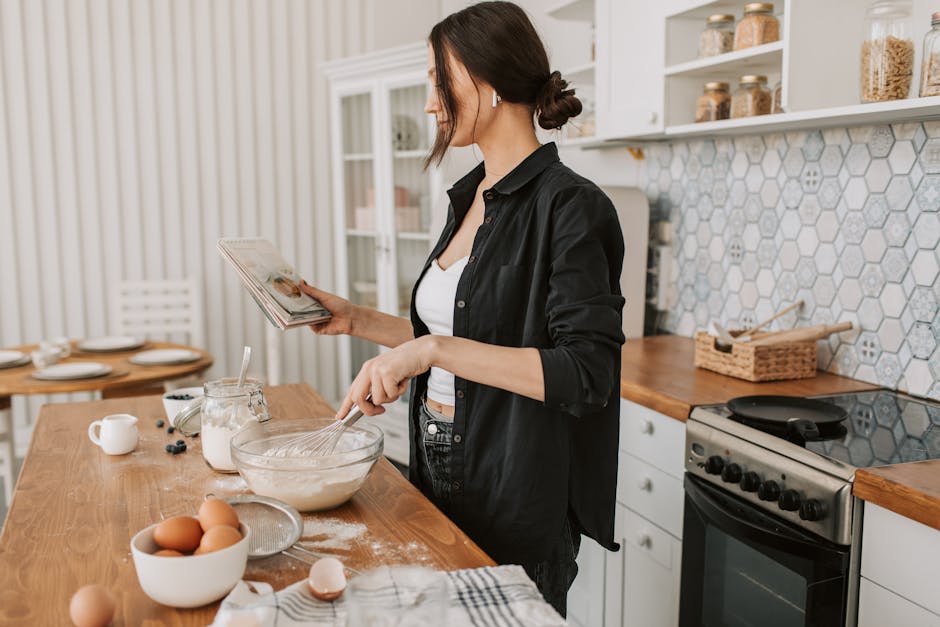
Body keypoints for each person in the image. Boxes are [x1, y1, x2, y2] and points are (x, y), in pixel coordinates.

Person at [301, 1, 625, 616]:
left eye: (437, 80)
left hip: (517, 477)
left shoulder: (574, 209)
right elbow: (466, 332)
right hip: (437, 455)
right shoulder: (468, 198)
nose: (430, 103)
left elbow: (586, 375)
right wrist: (357, 319)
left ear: (489, 81)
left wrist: (430, 350)